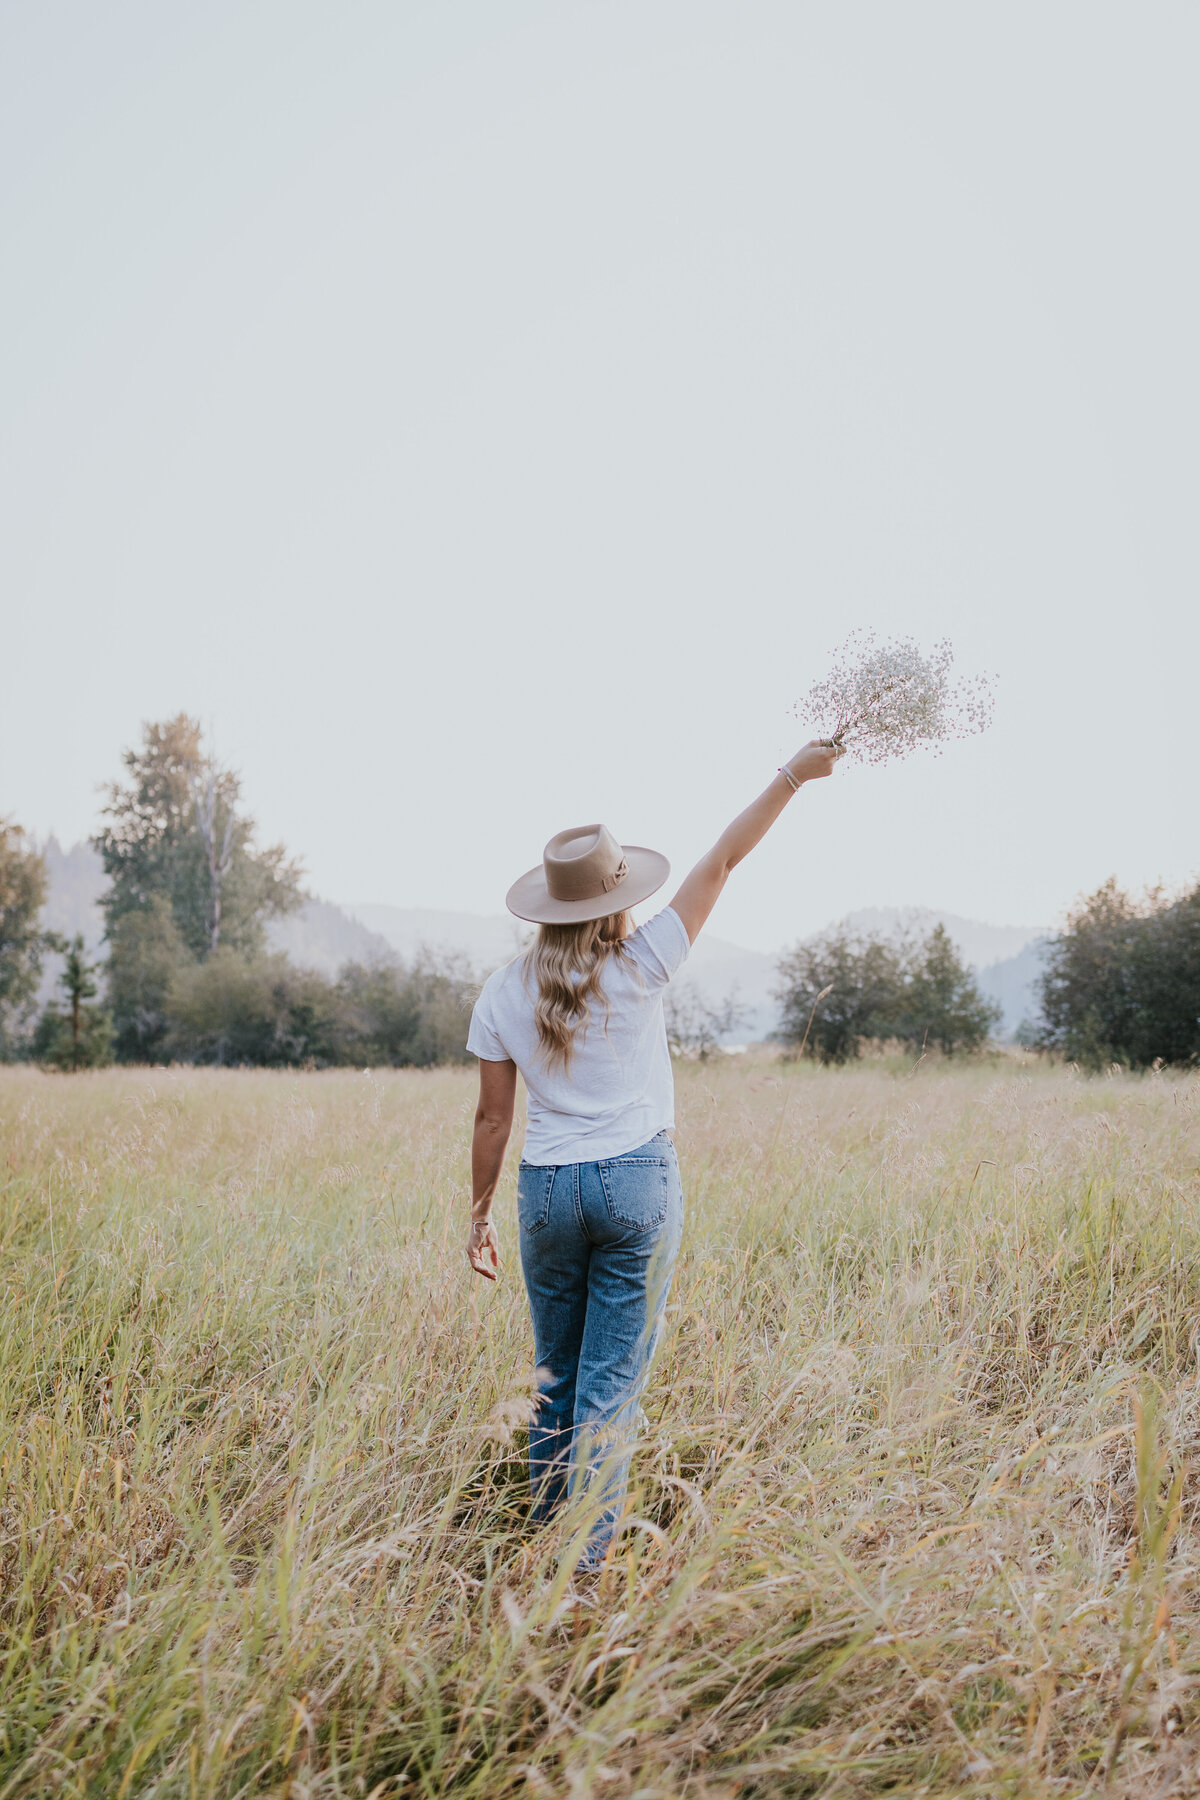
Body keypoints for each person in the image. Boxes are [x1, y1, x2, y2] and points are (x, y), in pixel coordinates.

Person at [465, 740, 840, 1568]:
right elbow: (724, 859)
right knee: (607, 1394)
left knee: (553, 1380)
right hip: (635, 1181)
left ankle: (543, 1550)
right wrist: (791, 776)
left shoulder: (500, 993)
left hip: (547, 1194)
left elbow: (494, 1121)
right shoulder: (643, 961)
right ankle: (584, 1577)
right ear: (614, 900)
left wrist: (479, 1214)